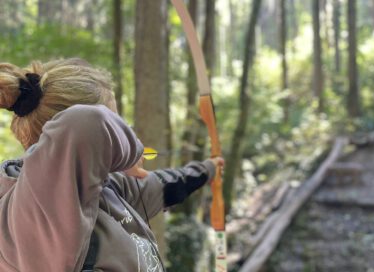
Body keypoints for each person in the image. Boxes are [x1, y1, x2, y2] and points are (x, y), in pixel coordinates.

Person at [0, 58, 224, 271]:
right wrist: (131, 153)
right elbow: (86, 123)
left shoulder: (105, 189)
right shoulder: (36, 212)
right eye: (117, 123)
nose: (122, 131)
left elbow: (163, 185)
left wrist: (209, 169)